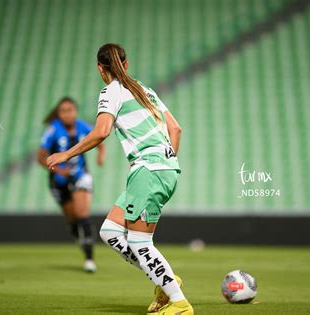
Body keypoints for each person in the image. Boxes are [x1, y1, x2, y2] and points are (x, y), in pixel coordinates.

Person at [47, 43, 193, 314]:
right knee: (111, 232)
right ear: (126, 65)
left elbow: (101, 131)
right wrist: (167, 161)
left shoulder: (110, 92)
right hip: (162, 169)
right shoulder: (143, 89)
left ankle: (179, 303)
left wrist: (66, 154)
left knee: (139, 243)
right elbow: (176, 128)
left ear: (100, 69)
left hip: (148, 171)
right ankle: (166, 280)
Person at [38, 97, 106, 273]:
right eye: (63, 111)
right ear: (59, 114)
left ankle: (89, 259)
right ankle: (81, 240)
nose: (67, 114)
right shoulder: (52, 130)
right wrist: (59, 172)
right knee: (73, 220)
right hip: (59, 181)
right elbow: (40, 157)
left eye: (70, 110)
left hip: (80, 176)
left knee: (82, 214)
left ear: (75, 111)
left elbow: (99, 140)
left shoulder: (83, 126)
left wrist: (100, 156)